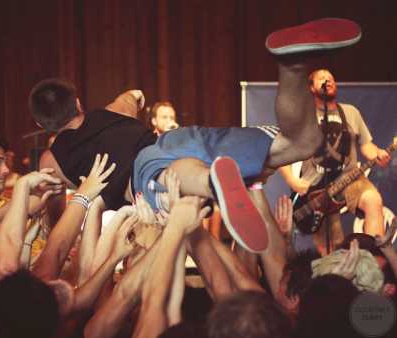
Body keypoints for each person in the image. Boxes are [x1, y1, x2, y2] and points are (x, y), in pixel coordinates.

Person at [29, 18, 362, 253]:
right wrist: (135, 100)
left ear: (45, 126)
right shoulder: (113, 111)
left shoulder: (52, 158)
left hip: (144, 172)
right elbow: (135, 94)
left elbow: (45, 197)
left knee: (171, 173)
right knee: (303, 143)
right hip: (176, 138)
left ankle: (213, 183)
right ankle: (292, 68)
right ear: (77, 102)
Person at [279, 69, 391, 253]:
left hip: (350, 179)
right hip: (317, 189)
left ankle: (372, 260)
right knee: (331, 248)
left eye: (331, 78)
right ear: (311, 88)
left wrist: (378, 154)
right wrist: (293, 181)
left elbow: (367, 147)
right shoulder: (301, 118)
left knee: (372, 200)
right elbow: (282, 154)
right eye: (322, 78)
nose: (328, 80)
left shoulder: (351, 112)